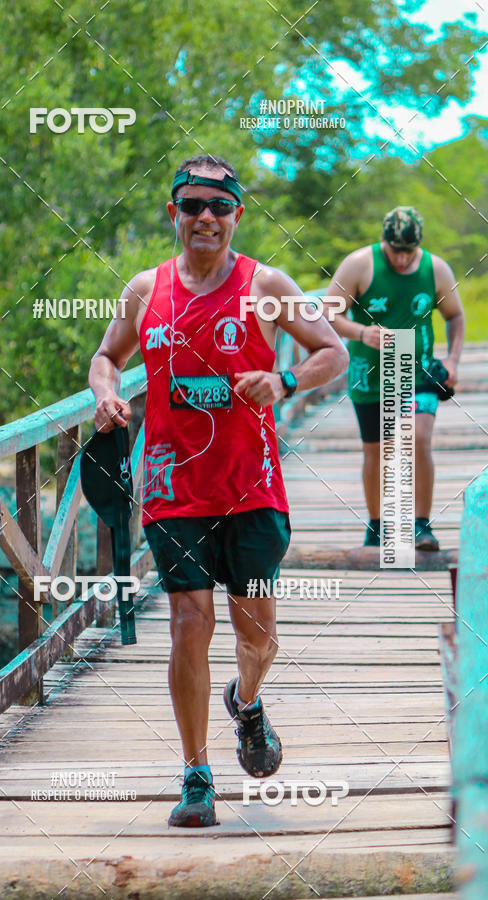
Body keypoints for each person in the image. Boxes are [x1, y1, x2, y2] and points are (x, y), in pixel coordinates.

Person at [89, 154, 348, 827]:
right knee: (187, 623)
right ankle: (196, 774)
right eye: (193, 205)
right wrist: (107, 394)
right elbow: (105, 355)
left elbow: (334, 353)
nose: (206, 217)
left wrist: (286, 382)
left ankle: (249, 700)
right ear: (172, 212)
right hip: (173, 488)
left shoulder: (267, 284)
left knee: (257, 634)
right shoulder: (146, 290)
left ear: (238, 214)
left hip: (252, 489)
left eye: (220, 207)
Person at [324, 206, 464, 551]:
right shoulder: (360, 264)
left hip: (420, 371)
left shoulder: (436, 270)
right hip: (371, 375)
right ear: (383, 241)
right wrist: (360, 332)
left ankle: (420, 525)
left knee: (418, 438)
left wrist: (453, 360)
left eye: (408, 252)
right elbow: (328, 312)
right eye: (395, 251)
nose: (401, 260)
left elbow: (455, 315)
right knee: (376, 452)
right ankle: (377, 526)